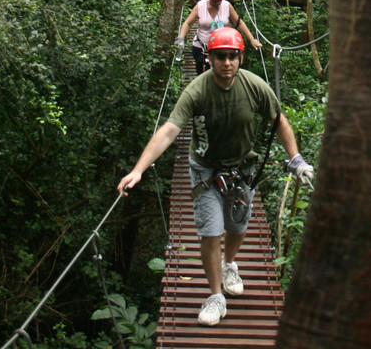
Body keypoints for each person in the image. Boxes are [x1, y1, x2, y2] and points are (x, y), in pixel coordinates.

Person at [118, 27, 315, 327]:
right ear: (209, 58)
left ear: (241, 58)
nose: (227, 62)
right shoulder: (197, 90)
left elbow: (279, 121)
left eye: (233, 56)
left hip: (243, 169)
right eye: (220, 56)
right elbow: (170, 130)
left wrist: (296, 159)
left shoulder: (254, 86)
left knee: (237, 226)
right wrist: (138, 169)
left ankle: (230, 264)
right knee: (211, 231)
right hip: (205, 171)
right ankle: (215, 296)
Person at [176, 0, 262, 75]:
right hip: (201, 48)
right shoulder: (200, 6)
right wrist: (181, 38)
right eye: (213, 2)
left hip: (220, 48)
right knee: (202, 76)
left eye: (218, 1)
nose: (216, 4)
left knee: (220, 75)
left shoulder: (227, 6)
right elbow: (188, 23)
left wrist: (251, 39)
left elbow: (239, 23)